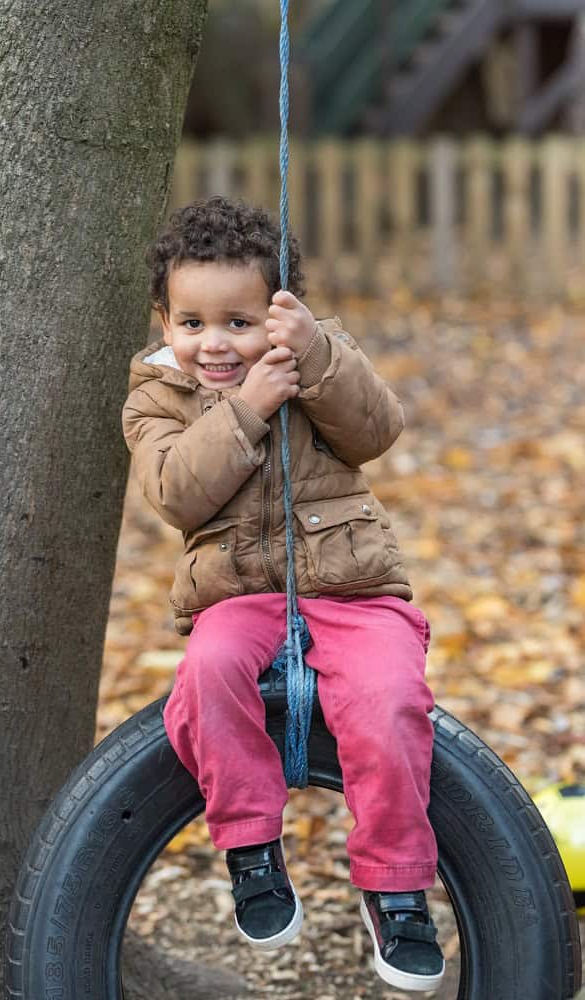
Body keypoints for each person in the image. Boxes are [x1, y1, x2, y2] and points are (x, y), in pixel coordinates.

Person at [122, 196, 445, 992]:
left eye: (238, 321)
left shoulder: (315, 357)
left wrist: (319, 359)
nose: (214, 343)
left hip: (353, 586)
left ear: (278, 312)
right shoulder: (153, 398)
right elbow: (173, 492)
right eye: (191, 323)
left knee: (389, 698)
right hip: (235, 596)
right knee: (207, 676)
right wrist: (246, 409)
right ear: (163, 321)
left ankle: (394, 884)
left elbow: (375, 431)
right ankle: (250, 848)